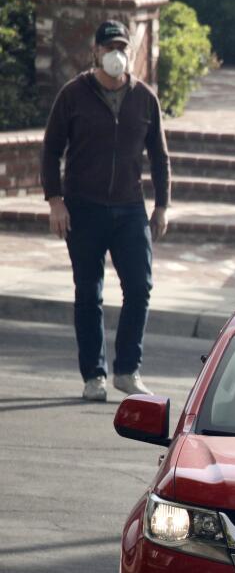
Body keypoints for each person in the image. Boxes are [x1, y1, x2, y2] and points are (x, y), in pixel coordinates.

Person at [41, 20, 170, 403]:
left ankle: (127, 370)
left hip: (130, 207)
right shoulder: (73, 95)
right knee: (88, 293)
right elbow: (50, 150)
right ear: (95, 52)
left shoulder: (144, 97)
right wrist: (55, 200)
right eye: (109, 47)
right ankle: (93, 375)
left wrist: (162, 206)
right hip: (84, 207)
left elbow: (160, 157)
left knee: (140, 288)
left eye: (122, 47)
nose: (117, 54)